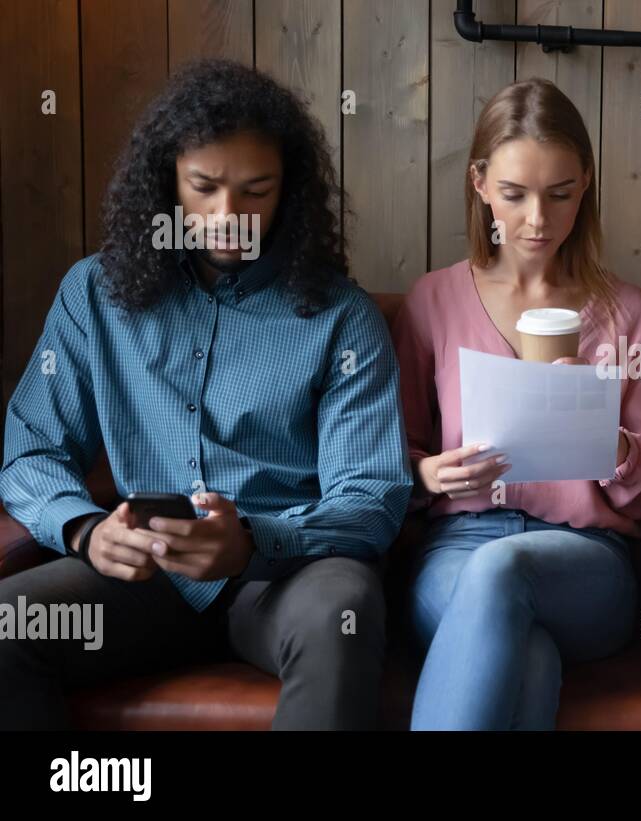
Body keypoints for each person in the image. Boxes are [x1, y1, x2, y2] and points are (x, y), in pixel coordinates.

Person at [0, 59, 411, 730]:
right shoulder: (93, 295)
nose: (229, 216)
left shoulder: (343, 318)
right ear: (166, 183)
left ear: (290, 192)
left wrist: (252, 540)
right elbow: (32, 452)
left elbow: (370, 499)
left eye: (257, 190)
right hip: (144, 576)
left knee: (344, 613)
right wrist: (83, 528)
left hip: (287, 575)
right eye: (205, 187)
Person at [394, 78, 641, 730]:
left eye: (560, 194)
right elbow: (385, 465)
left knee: (504, 571)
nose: (537, 219)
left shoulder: (626, 312)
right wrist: (430, 473)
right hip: (455, 550)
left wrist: (608, 439)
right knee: (532, 658)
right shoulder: (431, 302)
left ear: (587, 185)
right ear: (481, 184)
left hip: (586, 560)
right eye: (515, 195)